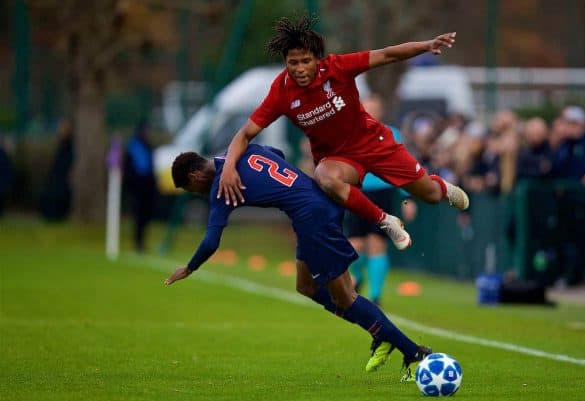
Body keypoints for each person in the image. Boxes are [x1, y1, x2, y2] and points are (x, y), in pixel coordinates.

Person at [164, 144, 431, 378]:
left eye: (193, 189)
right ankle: (380, 332)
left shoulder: (222, 186)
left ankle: (412, 351)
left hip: (313, 217)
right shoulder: (241, 151)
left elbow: (211, 241)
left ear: (195, 175)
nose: (198, 193)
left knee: (346, 297)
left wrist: (189, 267)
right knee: (306, 286)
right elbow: (276, 153)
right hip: (311, 207)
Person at [218, 15, 469, 253]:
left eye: (306, 61)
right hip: (339, 159)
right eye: (292, 63)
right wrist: (229, 166)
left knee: (432, 196)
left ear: (318, 59)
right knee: (325, 177)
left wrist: (427, 45)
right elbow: (245, 133)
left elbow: (387, 54)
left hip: (375, 144)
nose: (300, 69)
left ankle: (441, 186)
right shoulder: (281, 92)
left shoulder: (337, 67)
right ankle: (385, 221)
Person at [343, 94, 414, 305]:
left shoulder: (392, 134)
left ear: (381, 112)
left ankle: (375, 296)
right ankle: (358, 274)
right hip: (357, 193)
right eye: (367, 108)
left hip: (383, 193)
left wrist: (407, 199)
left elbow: (404, 167)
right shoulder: (350, 134)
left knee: (376, 243)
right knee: (354, 245)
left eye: (374, 108)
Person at [124, 120, 156, 252]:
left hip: (147, 186)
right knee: (138, 215)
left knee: (145, 215)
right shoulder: (133, 146)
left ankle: (141, 242)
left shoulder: (148, 146)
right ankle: (138, 243)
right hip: (137, 187)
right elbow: (130, 168)